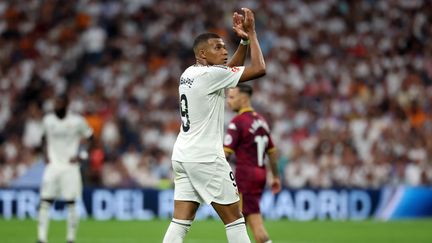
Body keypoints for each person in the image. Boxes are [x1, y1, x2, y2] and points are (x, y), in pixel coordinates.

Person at [163, 7, 266, 243]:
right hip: (206, 157)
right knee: (235, 219)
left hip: (183, 155)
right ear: (201, 53)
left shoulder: (189, 74)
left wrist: (243, 44)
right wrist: (252, 34)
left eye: (224, 46)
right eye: (217, 47)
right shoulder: (209, 77)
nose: (224, 50)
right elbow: (259, 69)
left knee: (180, 222)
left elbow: (228, 72)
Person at [224, 84, 281, 243]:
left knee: (243, 222)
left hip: (245, 175)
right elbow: (272, 152)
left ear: (243, 99)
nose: (228, 101)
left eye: (232, 97)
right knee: (246, 219)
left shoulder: (238, 122)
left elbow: (225, 154)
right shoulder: (262, 121)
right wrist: (276, 176)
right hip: (260, 173)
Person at [37, 95, 93, 243]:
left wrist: (83, 155)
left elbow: (90, 136)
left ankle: (70, 238)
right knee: (45, 202)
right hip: (53, 166)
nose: (57, 106)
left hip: (70, 167)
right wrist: (44, 154)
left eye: (60, 103)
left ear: (67, 104)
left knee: (72, 203)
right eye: (56, 103)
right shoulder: (48, 120)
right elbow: (42, 138)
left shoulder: (77, 121)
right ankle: (41, 238)